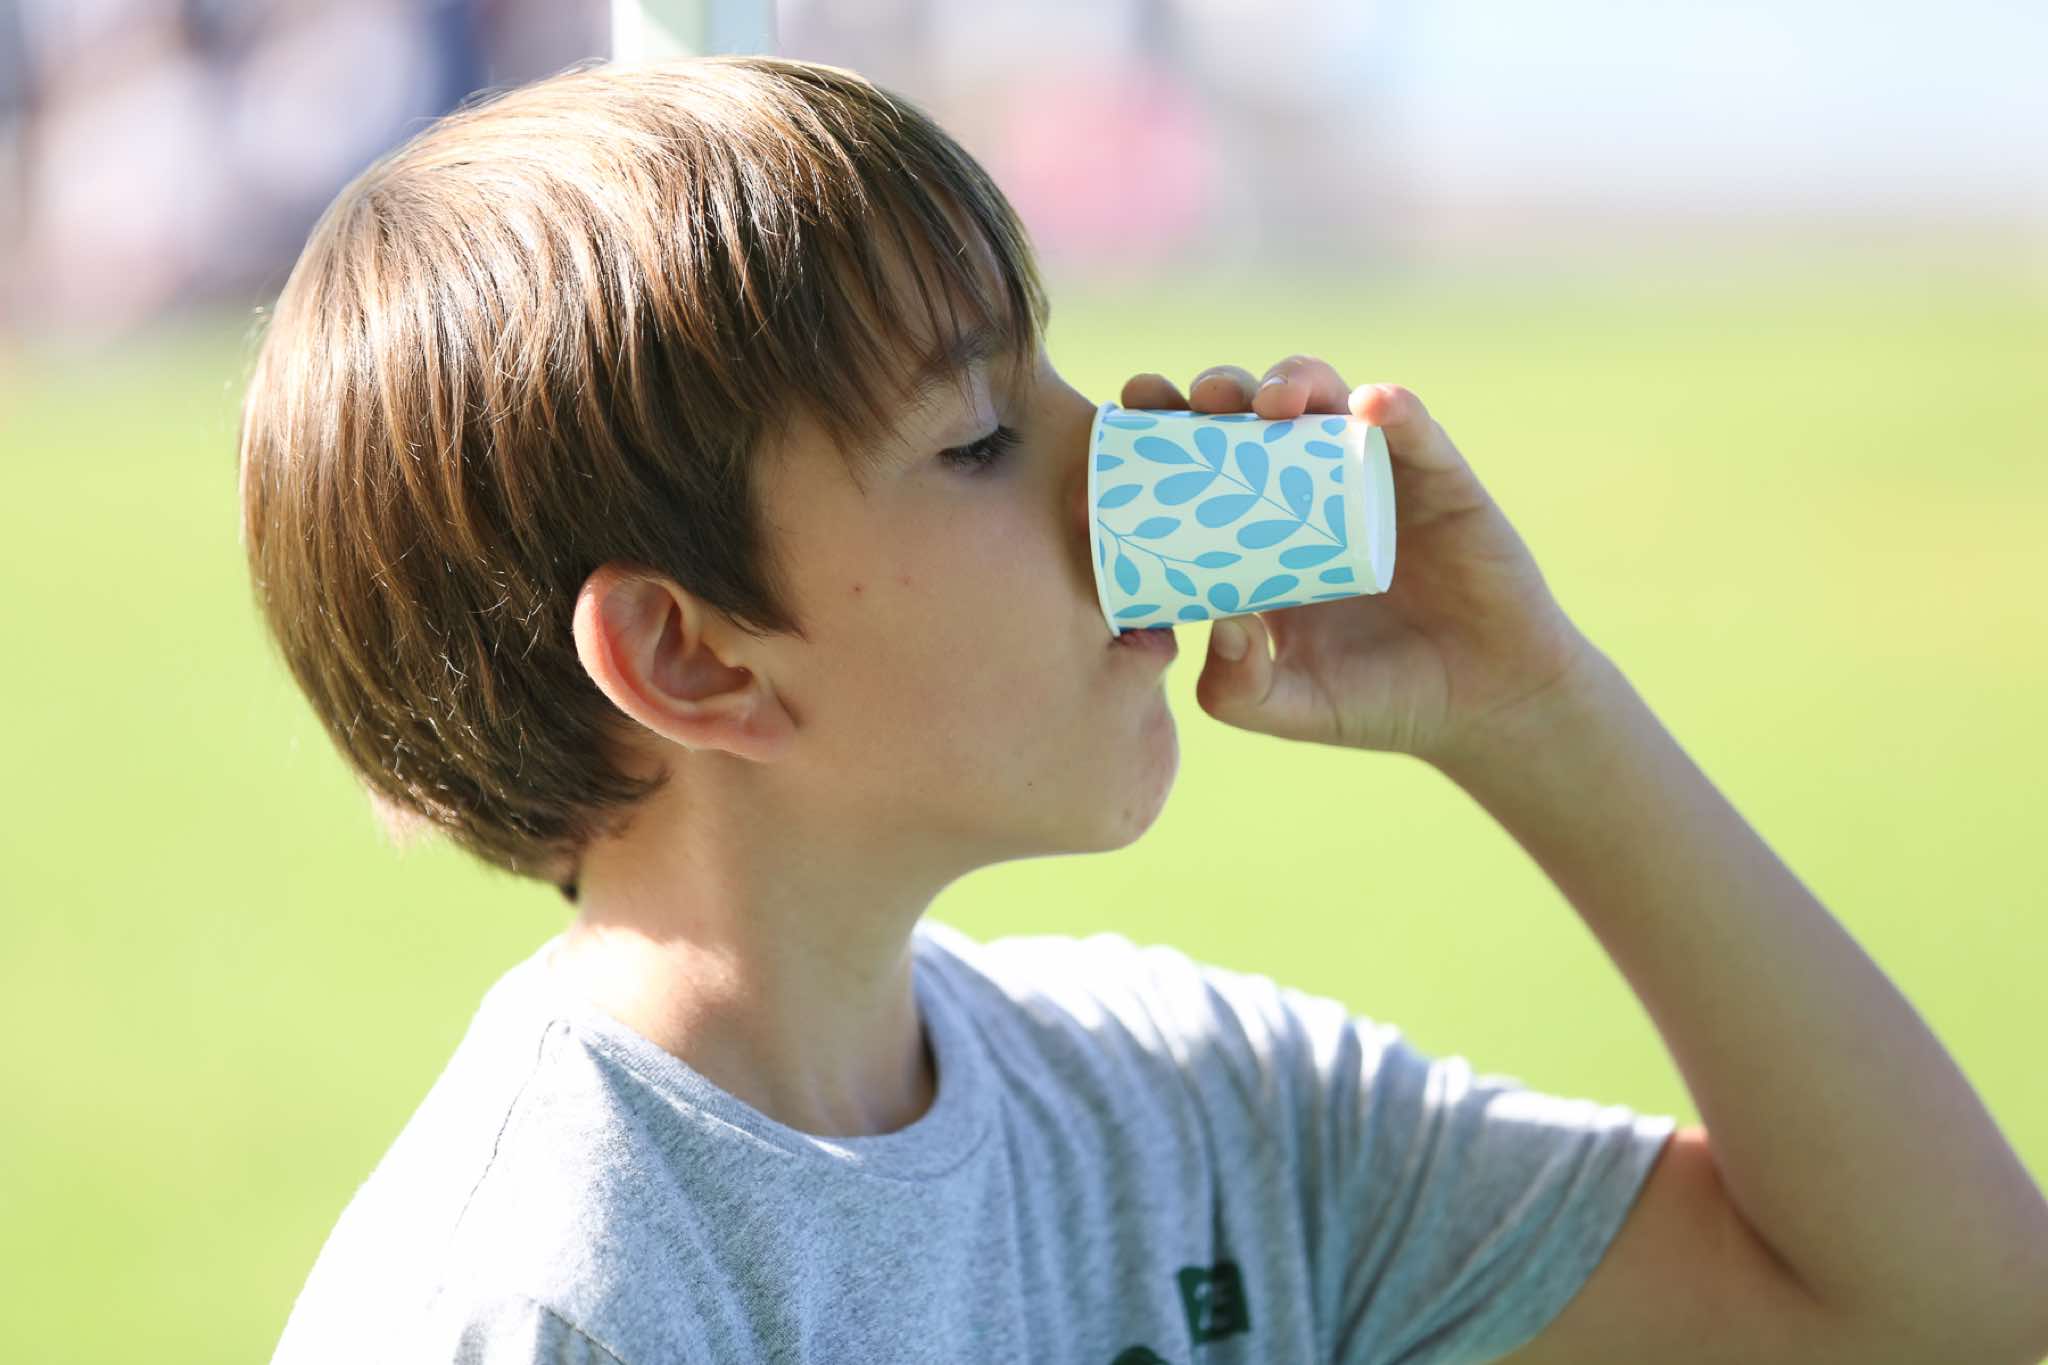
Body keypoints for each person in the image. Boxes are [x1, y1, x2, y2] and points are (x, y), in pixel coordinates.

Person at [243, 55, 2048, 1365]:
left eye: (1057, 378)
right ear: (695, 656)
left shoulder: (1187, 1113)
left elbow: (1949, 1309)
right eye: (978, 437)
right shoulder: (541, 1301)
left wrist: (1539, 709)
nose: (1125, 469)